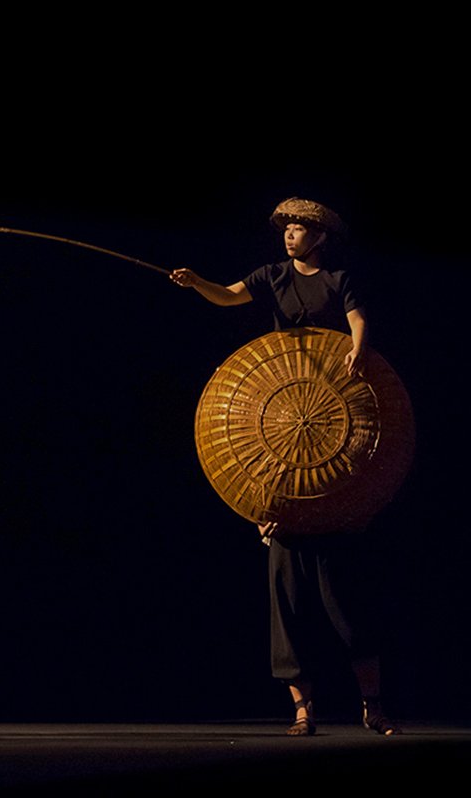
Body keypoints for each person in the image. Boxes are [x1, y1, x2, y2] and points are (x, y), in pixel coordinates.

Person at [171, 197, 396, 737]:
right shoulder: (272, 276)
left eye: (300, 229)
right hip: (282, 415)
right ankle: (302, 709)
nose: (290, 235)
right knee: (286, 600)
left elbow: (358, 321)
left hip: (331, 410)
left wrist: (358, 355)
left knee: (345, 603)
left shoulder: (339, 278)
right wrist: (197, 280)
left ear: (319, 237)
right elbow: (228, 297)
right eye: (287, 228)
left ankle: (373, 704)